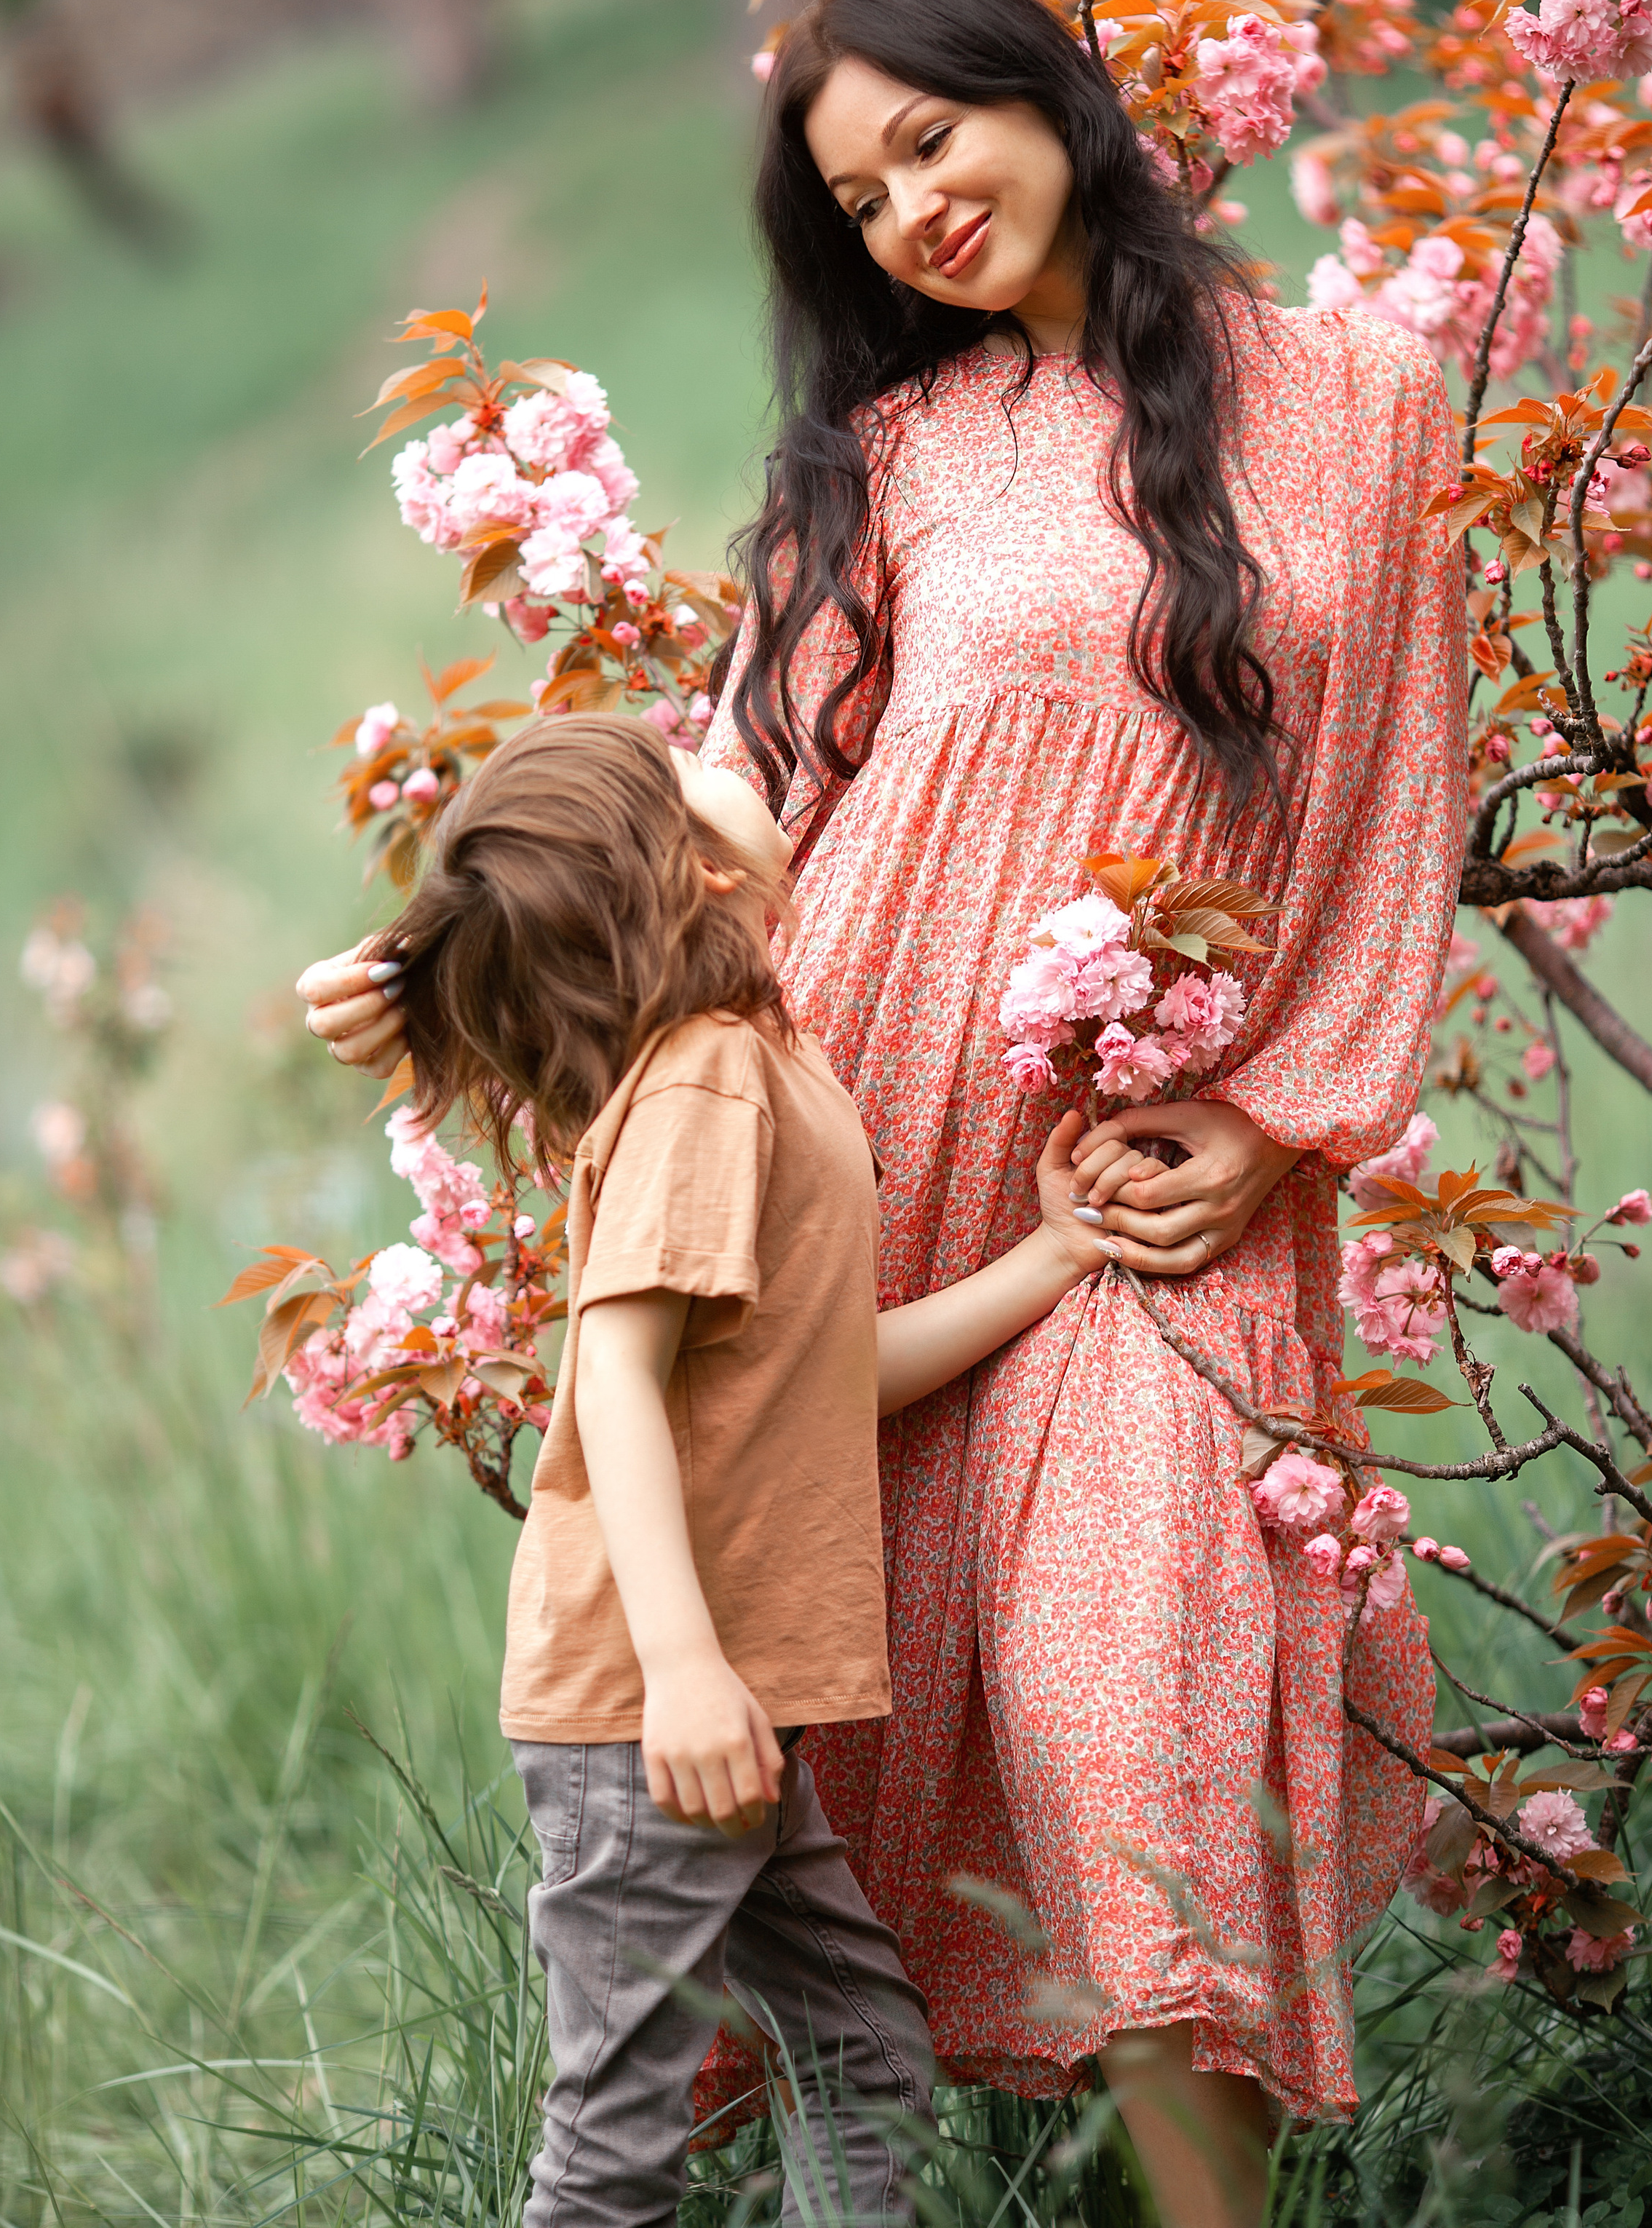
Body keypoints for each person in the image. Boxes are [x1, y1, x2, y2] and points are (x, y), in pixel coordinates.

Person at [303, 0, 1465, 2228]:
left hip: (1138, 1178)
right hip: (850, 1162)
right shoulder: (899, 460)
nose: (911, 211)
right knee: (806, 1758)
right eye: (859, 197)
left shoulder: (1371, 398)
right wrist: (445, 967)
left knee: (1131, 1723)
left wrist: (1276, 1116)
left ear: (1046, 91)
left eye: (931, 139)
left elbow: (1398, 803)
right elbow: (723, 801)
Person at [317, 711, 1137, 2228]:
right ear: (685, 870)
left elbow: (831, 1378)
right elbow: (611, 1380)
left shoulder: (753, 1061)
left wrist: (1049, 1257)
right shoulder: (702, 1083)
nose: (716, 747)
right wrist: (686, 1670)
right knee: (611, 2151)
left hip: (720, 1718)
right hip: (656, 1714)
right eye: (677, 764)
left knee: (860, 2051)